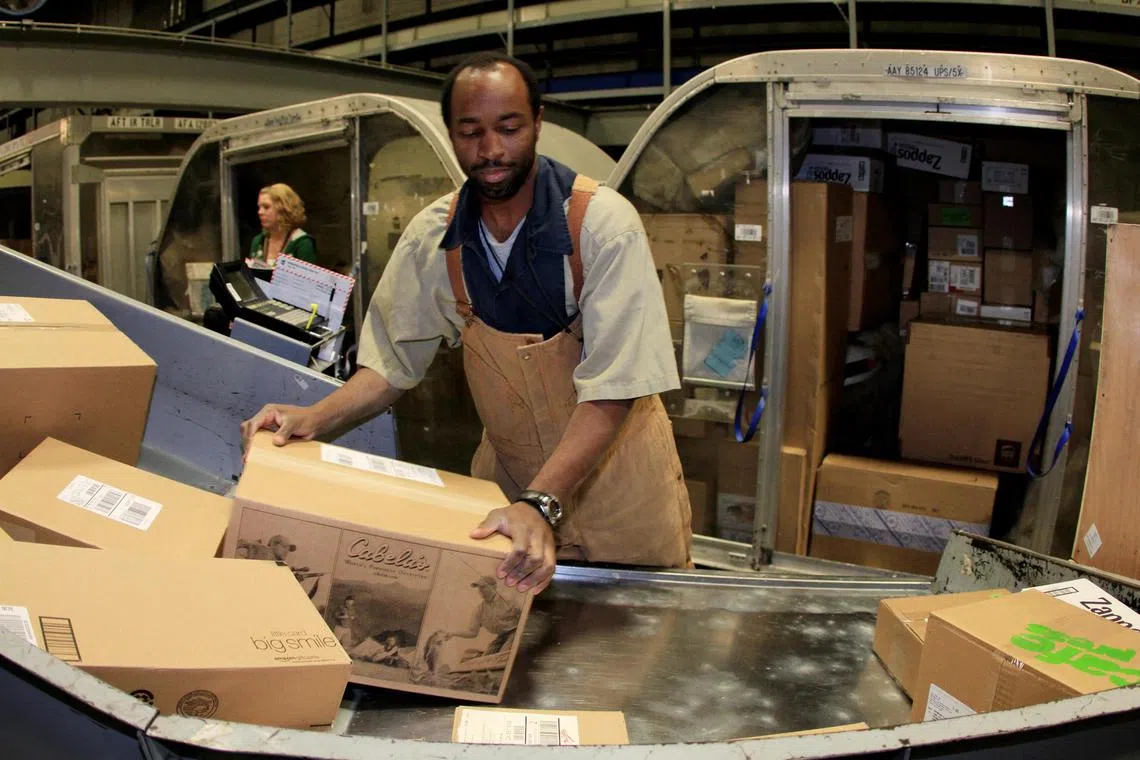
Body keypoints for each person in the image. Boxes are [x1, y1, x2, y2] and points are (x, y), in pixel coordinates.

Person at [241, 52, 692, 596]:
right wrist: (315, 416)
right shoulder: (436, 235)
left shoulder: (600, 225)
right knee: (496, 646)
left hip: (622, 490)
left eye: (509, 128)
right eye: (471, 132)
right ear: (452, 135)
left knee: (628, 654)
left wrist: (540, 502)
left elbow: (615, 388)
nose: (492, 150)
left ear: (538, 123)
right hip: (508, 487)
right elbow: (390, 364)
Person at [443, 576, 522, 657]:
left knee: (502, 656)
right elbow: (472, 632)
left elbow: (524, 616)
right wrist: (453, 633)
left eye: (483, 587)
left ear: (494, 587)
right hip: (501, 637)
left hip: (516, 631)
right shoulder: (479, 610)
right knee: (486, 659)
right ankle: (480, 654)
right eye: (478, 588)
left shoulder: (508, 600)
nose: (480, 590)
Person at [249, 183, 317, 264]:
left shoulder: (302, 243)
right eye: (259, 207)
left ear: (283, 209)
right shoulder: (258, 241)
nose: (260, 212)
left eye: (266, 207)